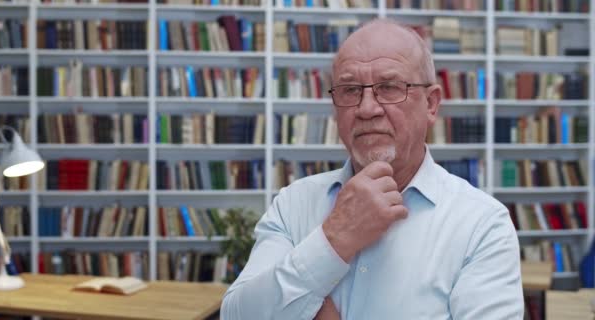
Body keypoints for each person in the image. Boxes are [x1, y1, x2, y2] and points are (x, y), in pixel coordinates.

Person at [220, 18, 524, 319]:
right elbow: (236, 315)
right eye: (350, 90)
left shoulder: (483, 225)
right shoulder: (293, 203)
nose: (367, 108)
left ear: (431, 104)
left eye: (389, 87)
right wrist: (335, 238)